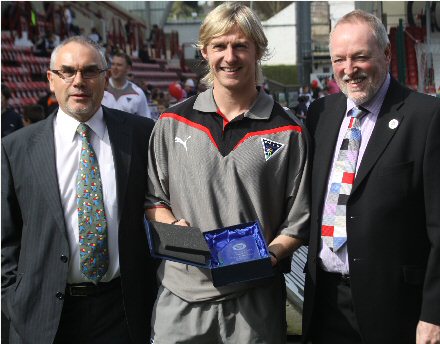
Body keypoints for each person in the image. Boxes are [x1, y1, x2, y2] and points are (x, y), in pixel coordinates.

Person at [145, 3, 310, 343]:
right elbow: (154, 199)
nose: (230, 57)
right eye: (220, 46)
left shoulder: (289, 130)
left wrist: (270, 254)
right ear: (205, 50)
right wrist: (173, 228)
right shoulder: (171, 122)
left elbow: (299, 220)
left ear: (258, 51)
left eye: (240, 46)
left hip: (255, 299)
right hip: (181, 295)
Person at [1, 36, 157, 344]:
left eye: (89, 71)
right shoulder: (15, 148)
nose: (78, 81)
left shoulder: (141, 135)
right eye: (67, 71)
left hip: (122, 311)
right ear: (50, 79)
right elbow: (5, 237)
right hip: (42, 317)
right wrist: (14, 301)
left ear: (104, 78)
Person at [302, 10, 440, 344]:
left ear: (387, 53)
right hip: (326, 303)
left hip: (396, 310)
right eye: (339, 59)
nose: (348, 70)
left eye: (360, 57)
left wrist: (434, 314)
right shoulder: (320, 114)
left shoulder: (427, 117)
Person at [102, 52, 152, 119]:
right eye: (113, 64)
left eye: (119, 65)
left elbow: (146, 120)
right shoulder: (100, 88)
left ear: (128, 68)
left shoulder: (137, 93)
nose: (114, 68)